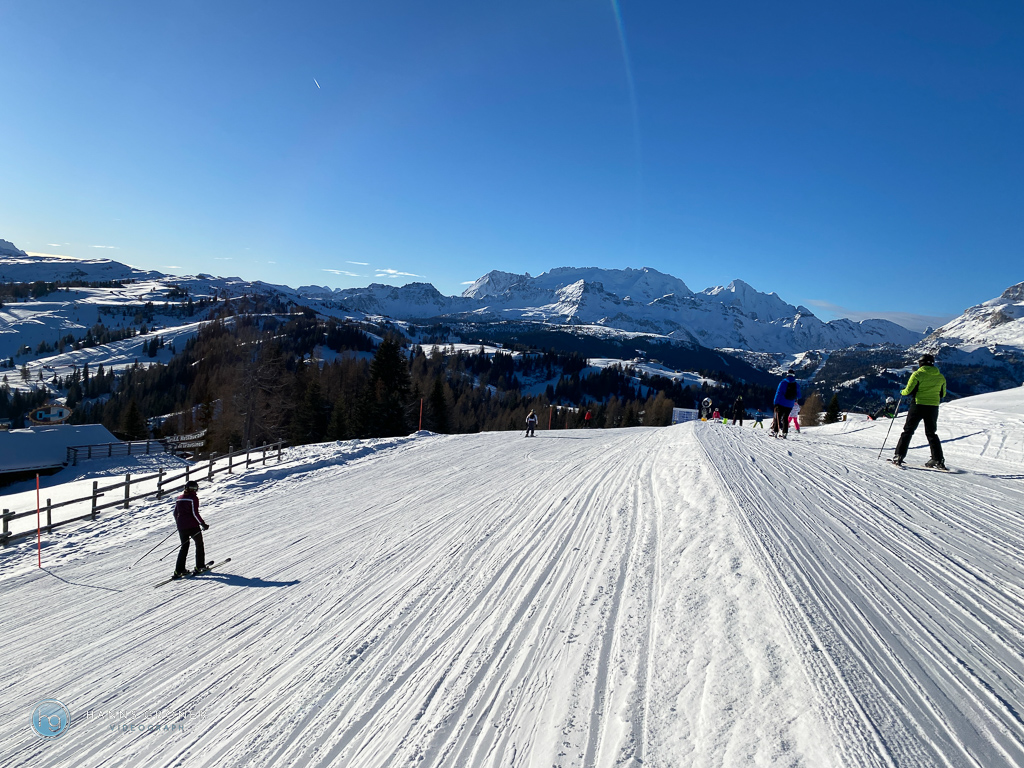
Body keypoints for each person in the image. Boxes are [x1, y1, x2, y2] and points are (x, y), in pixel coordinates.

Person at [891, 353, 947, 468]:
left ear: (921, 363)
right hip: (933, 407)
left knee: (908, 431)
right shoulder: (940, 377)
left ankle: (899, 456)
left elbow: (908, 391)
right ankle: (938, 459)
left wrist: (902, 392)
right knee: (931, 433)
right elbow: (943, 394)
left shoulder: (917, 374)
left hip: (918, 405)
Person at [173, 480, 209, 579]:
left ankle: (179, 570)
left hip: (181, 527)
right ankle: (200, 566)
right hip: (193, 526)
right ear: (194, 488)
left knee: (184, 547)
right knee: (199, 544)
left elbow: (175, 513)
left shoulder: (179, 498)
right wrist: (202, 524)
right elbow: (195, 513)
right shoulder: (193, 498)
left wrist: (179, 523)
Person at [771, 370, 800, 438]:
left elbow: (778, 393)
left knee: (778, 417)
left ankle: (775, 432)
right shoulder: (796, 384)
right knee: (785, 418)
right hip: (790, 404)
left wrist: (775, 403)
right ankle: (785, 433)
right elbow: (799, 395)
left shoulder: (783, 383)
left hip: (781, 403)